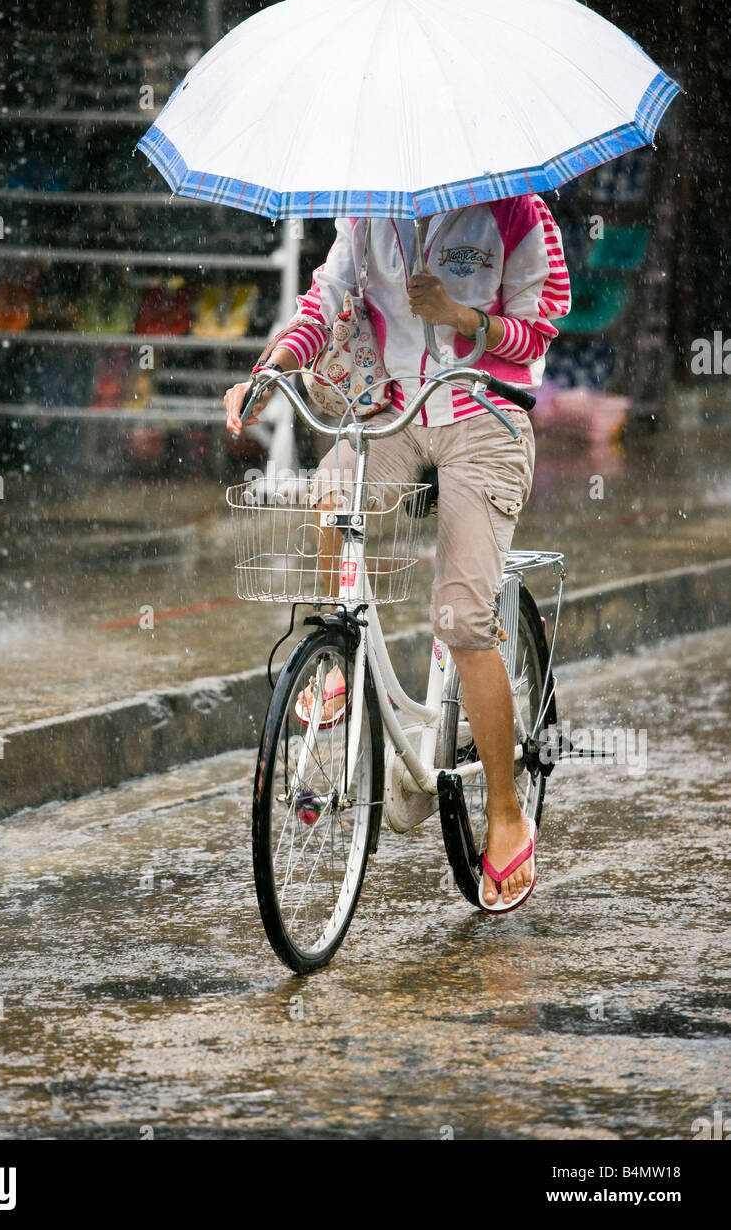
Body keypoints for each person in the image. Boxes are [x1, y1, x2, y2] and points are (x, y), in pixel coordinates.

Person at [224, 195, 570, 911]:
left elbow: (536, 336)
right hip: (395, 412)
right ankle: (338, 654)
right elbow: (323, 307)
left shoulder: (518, 215)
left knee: (463, 619)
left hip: (486, 413)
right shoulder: (368, 216)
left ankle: (507, 814)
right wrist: (271, 370)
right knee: (332, 493)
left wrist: (462, 318)